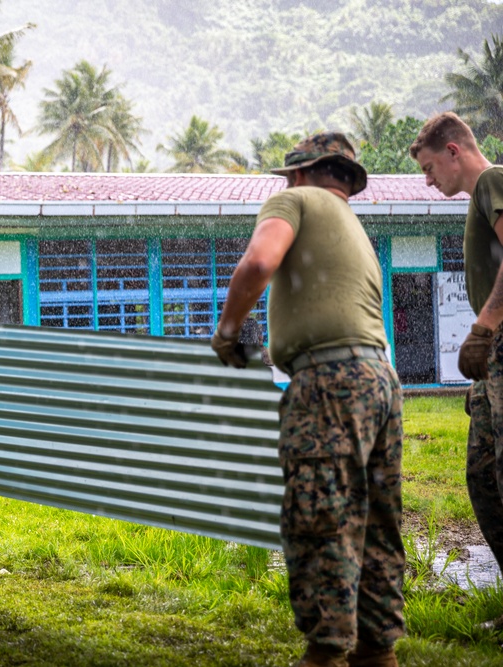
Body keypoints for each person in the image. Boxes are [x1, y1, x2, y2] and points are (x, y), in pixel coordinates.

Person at [212, 133, 403, 667]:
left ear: (300, 173)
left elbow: (257, 263)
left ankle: (324, 654)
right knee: (377, 525)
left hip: (330, 384)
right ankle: (377, 649)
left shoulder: (294, 201)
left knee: (320, 519)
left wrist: (228, 331)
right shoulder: (354, 229)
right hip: (381, 380)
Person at [409, 112, 503, 579]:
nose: (427, 182)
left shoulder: (492, 181)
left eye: (428, 169)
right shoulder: (479, 198)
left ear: (452, 152)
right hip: (496, 359)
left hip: (499, 341)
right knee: (484, 477)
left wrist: (484, 330)